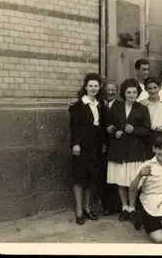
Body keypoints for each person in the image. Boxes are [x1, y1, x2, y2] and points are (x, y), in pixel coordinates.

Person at [106, 78, 151, 222]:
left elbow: (147, 130)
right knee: (120, 181)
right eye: (128, 92)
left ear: (138, 93)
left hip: (135, 151)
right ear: (124, 93)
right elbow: (108, 125)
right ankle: (124, 207)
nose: (131, 95)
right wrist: (114, 132)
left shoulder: (142, 109)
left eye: (134, 92)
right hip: (118, 150)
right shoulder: (116, 107)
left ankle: (132, 208)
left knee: (133, 181)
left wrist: (134, 130)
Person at [69, 73, 106, 225]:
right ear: (85, 87)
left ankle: (87, 208)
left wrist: (103, 143)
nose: (93, 88)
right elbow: (73, 127)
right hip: (82, 146)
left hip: (95, 146)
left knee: (91, 178)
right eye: (90, 86)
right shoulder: (78, 105)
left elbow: (101, 126)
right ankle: (79, 210)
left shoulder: (100, 104)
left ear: (99, 88)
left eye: (96, 86)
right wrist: (75, 144)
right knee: (79, 177)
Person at [100, 80, 122, 216]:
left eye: (114, 89)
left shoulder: (120, 106)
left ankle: (117, 205)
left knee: (115, 175)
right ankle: (106, 205)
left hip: (115, 144)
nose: (111, 92)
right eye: (108, 89)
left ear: (117, 91)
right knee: (103, 175)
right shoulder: (99, 105)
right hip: (101, 144)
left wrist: (114, 130)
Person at [140, 77, 162, 159]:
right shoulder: (142, 104)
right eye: (149, 88)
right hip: (147, 137)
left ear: (159, 87)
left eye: (155, 88)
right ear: (146, 89)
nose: (152, 91)